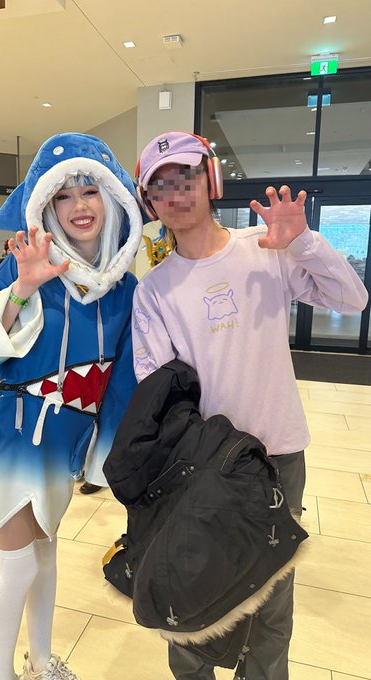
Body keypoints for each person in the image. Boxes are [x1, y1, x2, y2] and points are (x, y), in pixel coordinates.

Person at [132, 131, 369, 680]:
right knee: (190, 590)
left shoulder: (265, 250)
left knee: (272, 601)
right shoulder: (155, 291)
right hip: (200, 469)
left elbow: (352, 299)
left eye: (186, 177)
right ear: (149, 203)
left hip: (278, 455)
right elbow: (159, 391)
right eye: (161, 186)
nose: (176, 193)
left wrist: (303, 241)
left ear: (210, 181)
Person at [0, 132, 143, 680]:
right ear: (46, 206)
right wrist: (22, 288)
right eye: (63, 195)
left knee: (45, 555)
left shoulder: (124, 289)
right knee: (20, 561)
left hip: (61, 444)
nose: (79, 206)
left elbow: (120, 381)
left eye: (89, 191)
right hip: (7, 435)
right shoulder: (26, 263)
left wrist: (103, 455)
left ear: (110, 198)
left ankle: (42, 661)